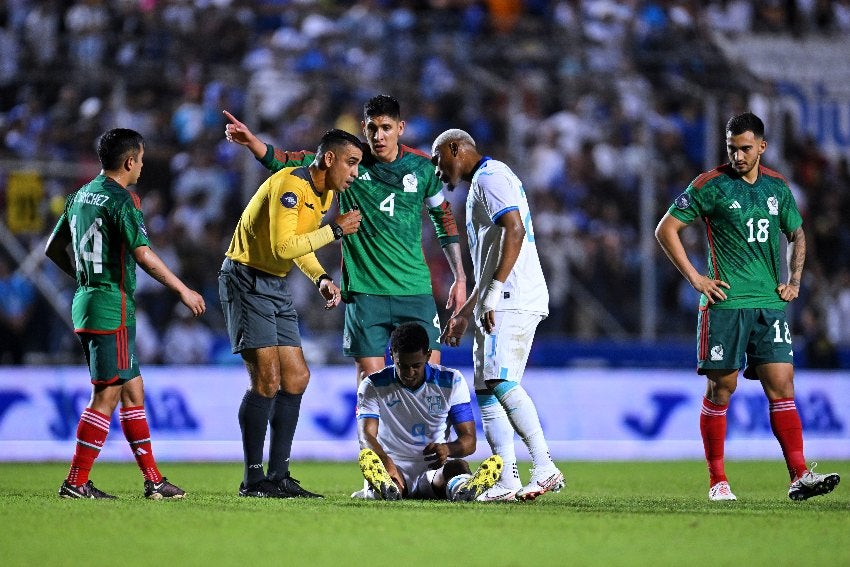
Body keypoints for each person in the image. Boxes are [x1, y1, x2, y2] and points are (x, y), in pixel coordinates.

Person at [655, 111, 841, 502]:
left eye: (744, 148)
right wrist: (696, 279)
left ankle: (799, 475)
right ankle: (717, 481)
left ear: (762, 147)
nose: (738, 156)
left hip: (768, 306)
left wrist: (794, 282)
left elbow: (797, 233)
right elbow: (665, 228)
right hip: (726, 304)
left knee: (783, 387)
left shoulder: (777, 186)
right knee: (722, 389)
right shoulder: (711, 185)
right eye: (731, 149)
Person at [223, 94, 467, 387]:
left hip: (414, 290)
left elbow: (444, 219)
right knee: (370, 386)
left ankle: (425, 435)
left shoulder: (423, 167)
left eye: (386, 128)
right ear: (363, 128)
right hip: (364, 293)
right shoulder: (349, 163)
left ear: (400, 127)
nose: (379, 136)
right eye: (372, 128)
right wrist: (252, 143)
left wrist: (460, 277)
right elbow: (289, 161)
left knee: (427, 381)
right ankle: (371, 436)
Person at [45, 128, 206, 500]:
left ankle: (154, 481)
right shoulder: (123, 199)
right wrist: (182, 289)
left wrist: (86, 275)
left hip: (88, 300)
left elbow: (54, 249)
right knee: (107, 394)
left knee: (133, 390)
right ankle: (76, 481)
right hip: (110, 307)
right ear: (130, 161)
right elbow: (143, 253)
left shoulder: (78, 195)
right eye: (142, 160)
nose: (143, 166)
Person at [219, 128, 364, 498]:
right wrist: (334, 230)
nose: (354, 173)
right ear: (329, 159)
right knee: (266, 380)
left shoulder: (326, 192)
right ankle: (253, 479)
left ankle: (279, 475)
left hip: (275, 283)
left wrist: (321, 278)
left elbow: (298, 246)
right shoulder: (291, 186)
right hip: (246, 278)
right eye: (351, 163)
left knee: (296, 377)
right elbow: (283, 245)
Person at [432, 129, 564, 502]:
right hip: (497, 297)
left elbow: (515, 229)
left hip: (512, 295)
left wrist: (492, 293)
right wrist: (468, 308)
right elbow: (490, 257)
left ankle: (545, 466)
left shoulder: (491, 178)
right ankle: (507, 479)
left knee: (501, 381)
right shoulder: (483, 183)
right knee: (487, 389)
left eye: (437, 159)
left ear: (455, 149)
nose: (437, 170)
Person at [355, 322, 503, 501]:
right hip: (393, 465)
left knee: (456, 467)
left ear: (428, 355)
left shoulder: (451, 381)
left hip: (433, 469)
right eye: (402, 366)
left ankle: (463, 490)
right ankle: (387, 487)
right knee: (389, 480)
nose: (409, 372)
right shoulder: (373, 385)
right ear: (392, 355)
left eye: (416, 365)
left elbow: (469, 441)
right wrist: (386, 462)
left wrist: (447, 449)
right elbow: (366, 436)